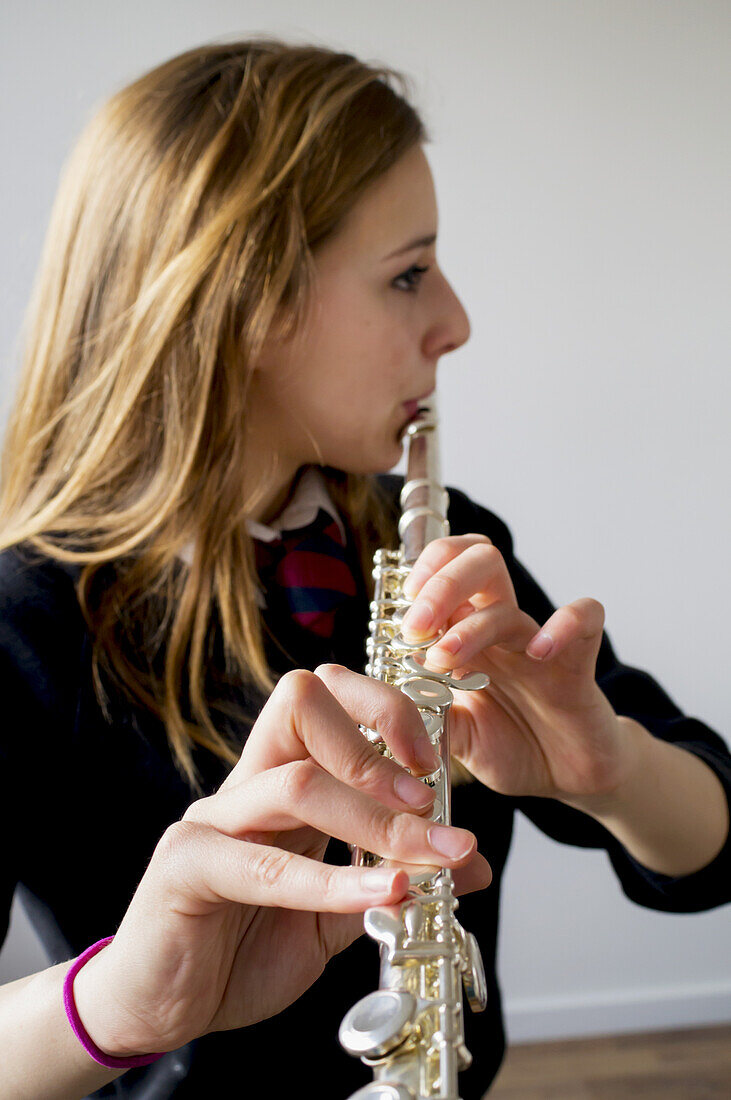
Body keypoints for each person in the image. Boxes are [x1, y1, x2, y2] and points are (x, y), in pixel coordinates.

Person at [0, 38, 728, 1100]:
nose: (455, 324)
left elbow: (707, 843)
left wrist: (610, 766)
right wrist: (118, 999)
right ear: (240, 299)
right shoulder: (25, 622)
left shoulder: (437, 542)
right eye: (406, 273)